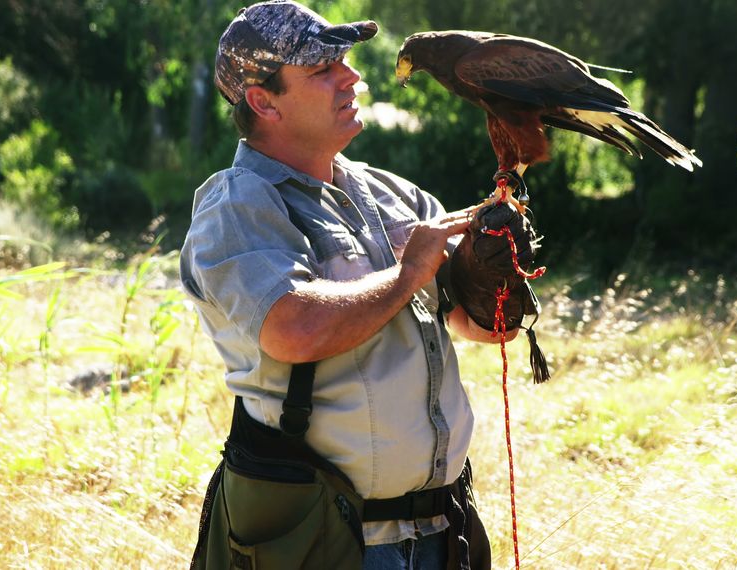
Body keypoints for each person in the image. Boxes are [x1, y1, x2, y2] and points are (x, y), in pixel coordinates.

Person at [180, 2, 530, 568]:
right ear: (262, 100)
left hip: (445, 531)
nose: (352, 77)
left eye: (343, 60)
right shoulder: (238, 203)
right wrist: (408, 273)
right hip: (325, 541)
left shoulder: (399, 195)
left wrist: (494, 276)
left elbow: (478, 326)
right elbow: (292, 327)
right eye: (322, 70)